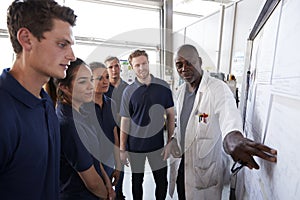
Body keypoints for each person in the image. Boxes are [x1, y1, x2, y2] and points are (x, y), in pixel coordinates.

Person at [165, 44, 277, 200]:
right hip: (181, 164)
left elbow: (229, 117)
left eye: (189, 62)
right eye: (179, 65)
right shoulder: (181, 92)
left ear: (199, 61)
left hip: (204, 171)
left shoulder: (218, 89)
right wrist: (173, 139)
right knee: (182, 194)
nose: (184, 68)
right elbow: (183, 125)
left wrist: (233, 139)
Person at [0, 0, 76, 199]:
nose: (72, 56)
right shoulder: (4, 111)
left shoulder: (45, 102)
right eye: (62, 44)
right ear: (27, 39)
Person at [54, 58, 115, 199]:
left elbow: (94, 158)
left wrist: (108, 184)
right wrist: (107, 196)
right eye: (82, 82)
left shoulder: (82, 112)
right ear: (64, 87)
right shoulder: (70, 125)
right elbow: (92, 182)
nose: (91, 86)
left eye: (91, 80)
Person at [119, 50, 175, 200]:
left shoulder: (163, 87)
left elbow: (171, 115)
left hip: (158, 146)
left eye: (144, 63)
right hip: (135, 147)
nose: (141, 68)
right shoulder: (128, 92)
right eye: (137, 65)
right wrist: (122, 149)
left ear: (148, 63)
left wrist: (170, 142)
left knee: (161, 181)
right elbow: (125, 120)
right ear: (132, 67)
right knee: (137, 183)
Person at [84, 62, 122, 195]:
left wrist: (118, 165)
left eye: (106, 77)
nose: (105, 81)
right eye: (100, 78)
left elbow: (114, 134)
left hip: (109, 159)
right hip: (91, 164)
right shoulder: (83, 108)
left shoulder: (111, 104)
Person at [104, 56, 129, 200]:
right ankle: (107, 193)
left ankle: (119, 194)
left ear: (120, 67)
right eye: (111, 67)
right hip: (107, 134)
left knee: (121, 167)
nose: (114, 70)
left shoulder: (127, 88)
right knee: (106, 166)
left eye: (117, 66)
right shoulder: (104, 87)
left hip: (123, 135)